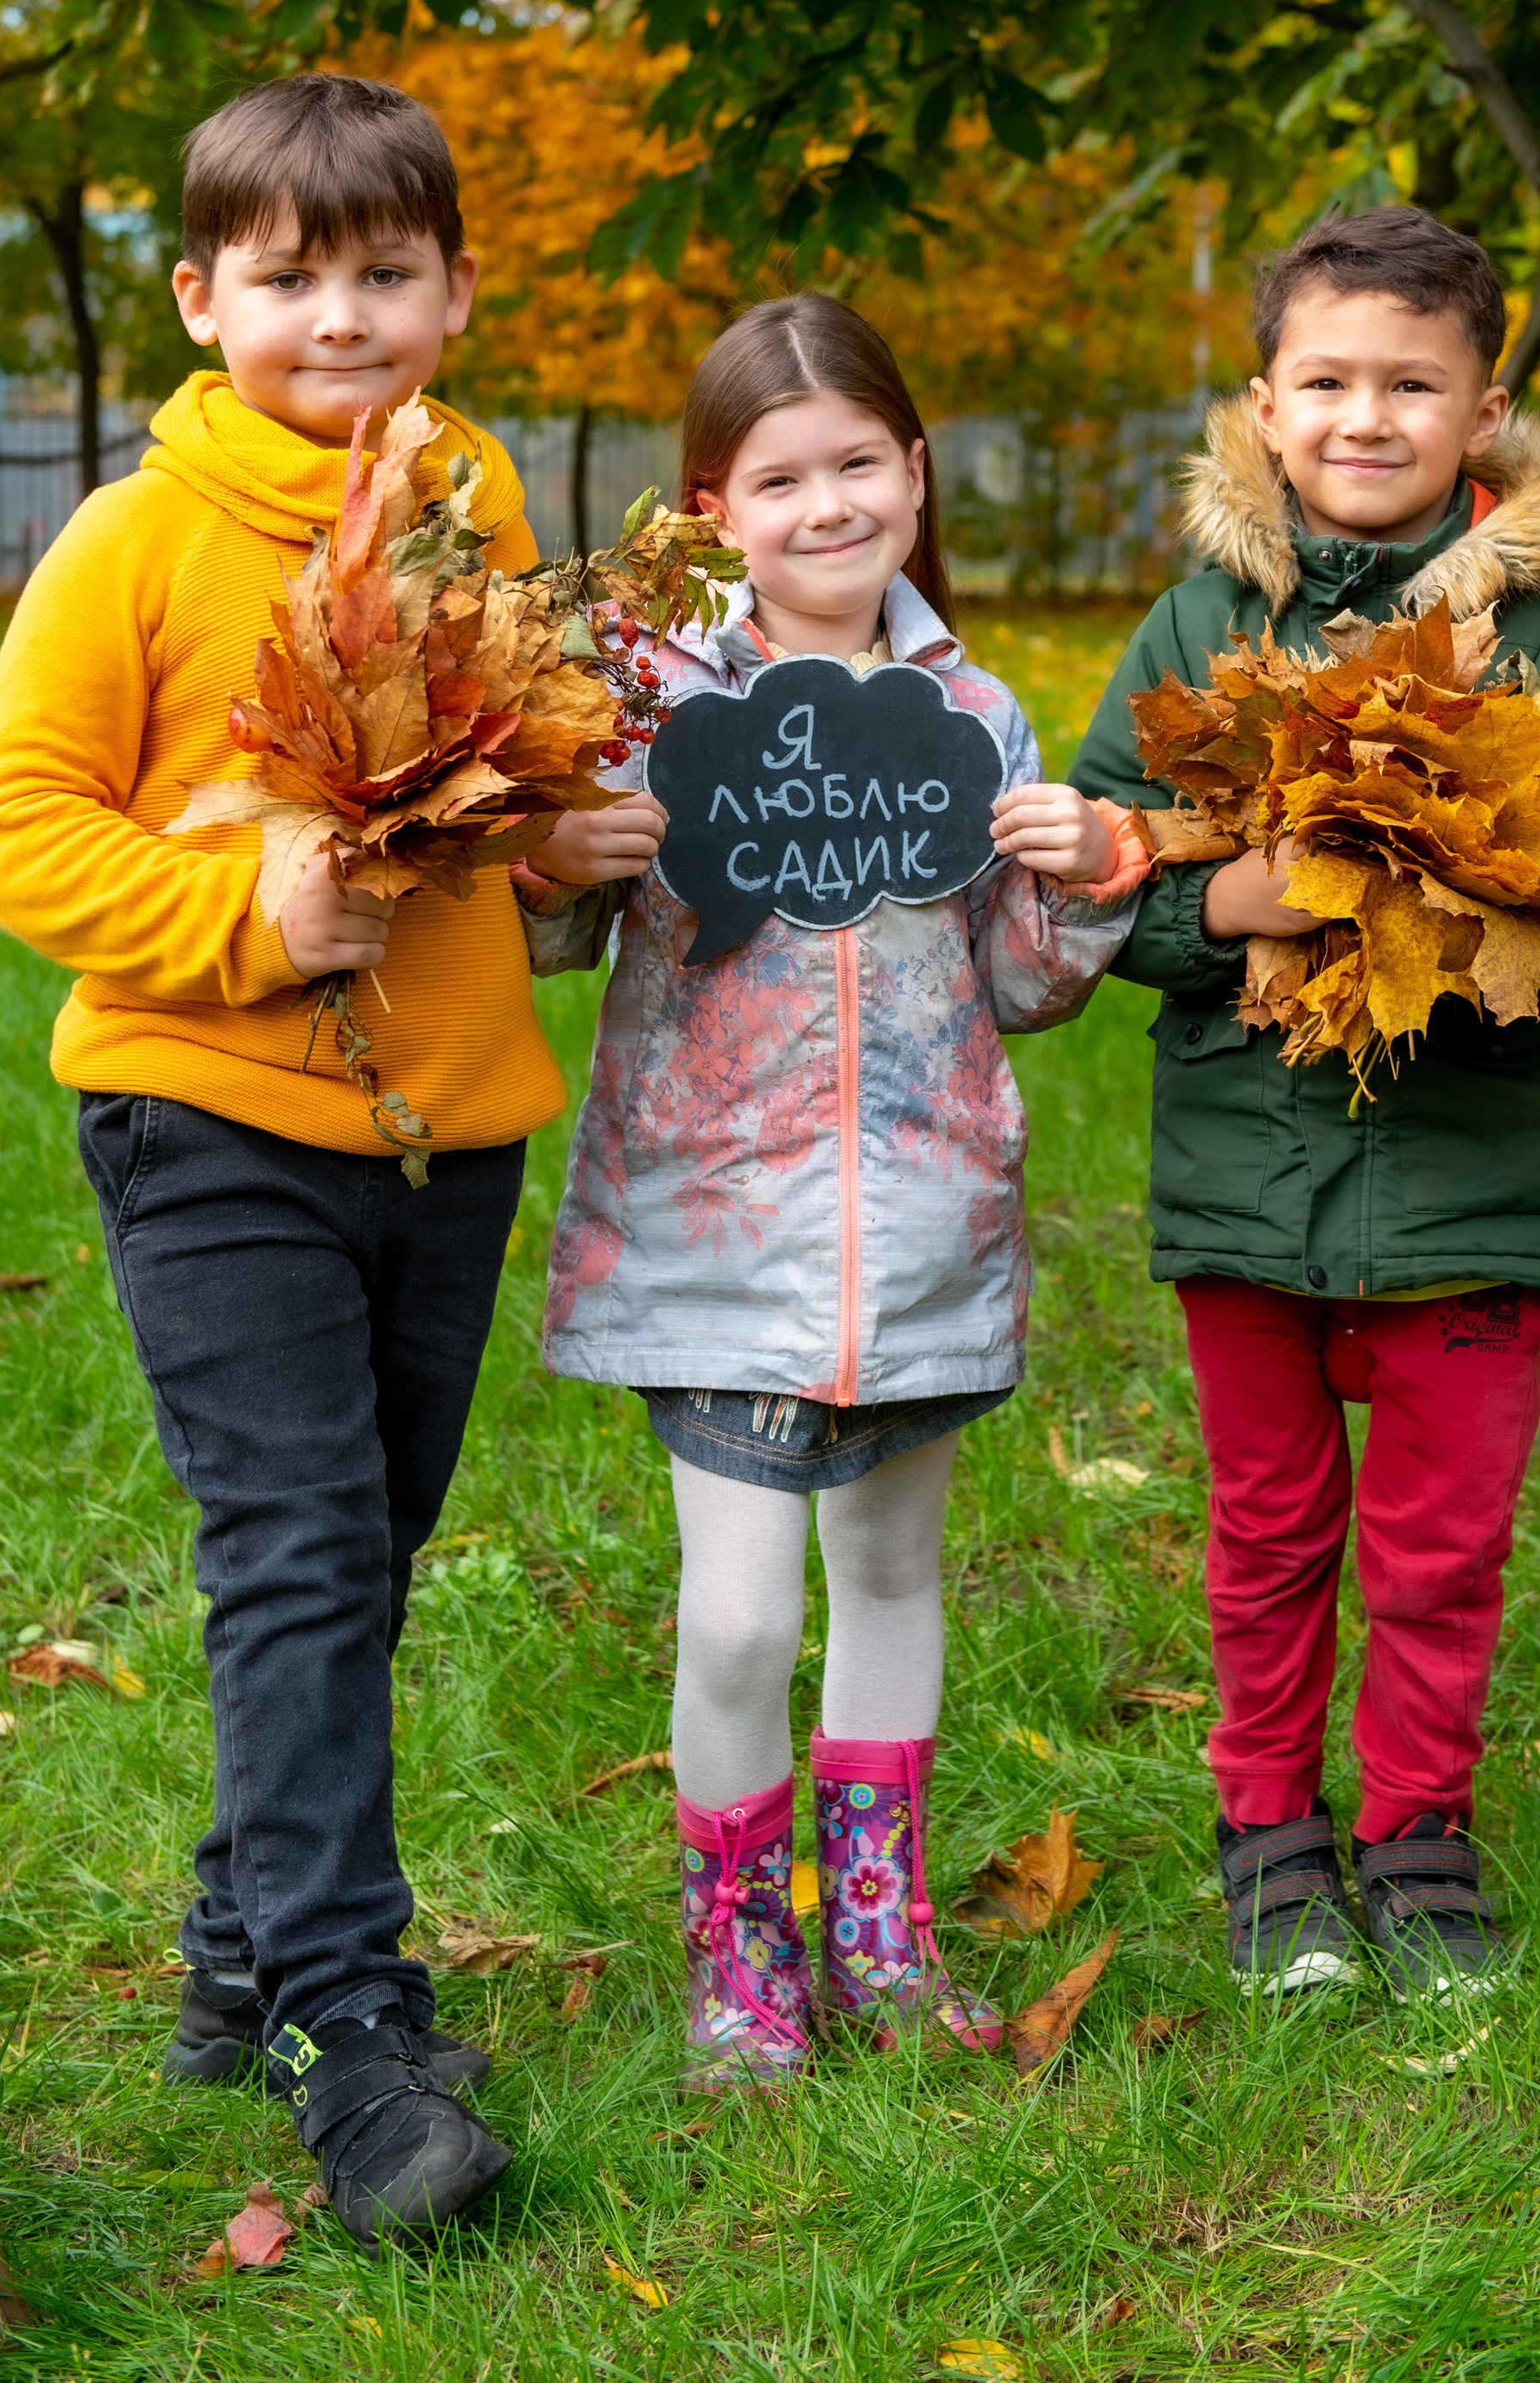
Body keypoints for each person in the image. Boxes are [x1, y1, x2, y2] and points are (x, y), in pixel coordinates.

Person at [0, 73, 547, 2250]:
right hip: (203, 1117)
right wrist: (237, 920)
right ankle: (342, 2033)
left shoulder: (479, 509)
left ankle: (233, 1950)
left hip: (443, 1127)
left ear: (454, 289)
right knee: (294, 1548)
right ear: (202, 299)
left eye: (385, 273)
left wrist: (559, 834)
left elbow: (490, 789)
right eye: (288, 279)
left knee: (365, 1548)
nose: (340, 317)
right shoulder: (140, 536)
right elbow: (7, 820)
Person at [517, 292, 1147, 2088]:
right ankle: (738, 1953)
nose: (824, 507)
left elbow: (1020, 980)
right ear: (712, 507)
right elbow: (559, 935)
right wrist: (562, 857)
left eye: (856, 464)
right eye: (776, 478)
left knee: (886, 1573)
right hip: (715, 1230)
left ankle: (876, 1936)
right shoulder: (649, 705)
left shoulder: (973, 710)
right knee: (732, 1609)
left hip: (927, 1223)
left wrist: (1083, 876)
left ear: (913, 471)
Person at [1070, 203, 1540, 2003]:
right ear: (1262, 402)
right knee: (1263, 1531)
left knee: (1435, 1546)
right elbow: (1101, 874)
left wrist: (1472, 911)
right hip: (1251, 1184)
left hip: (1471, 1180)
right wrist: (1223, 904)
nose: (1363, 418)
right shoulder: (1200, 620)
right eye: (1324, 381)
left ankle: (1414, 1833)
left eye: (1411, 384)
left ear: (1481, 410)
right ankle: (1267, 1828)